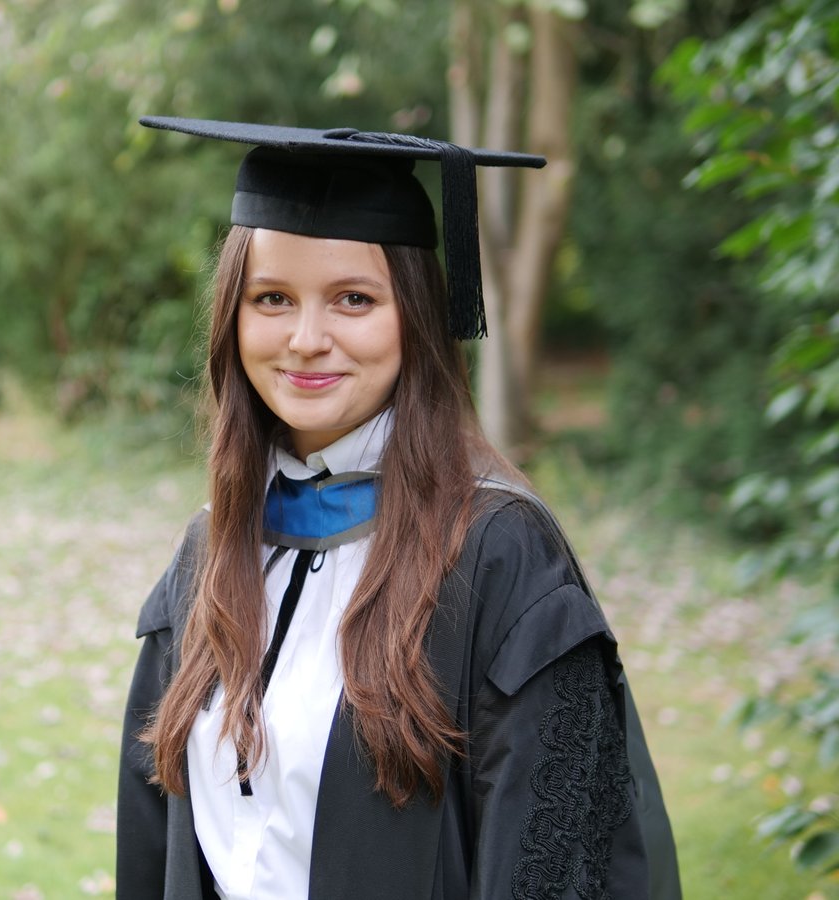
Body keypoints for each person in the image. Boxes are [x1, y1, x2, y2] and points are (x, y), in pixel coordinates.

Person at [117, 117, 680, 900]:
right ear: (232, 320)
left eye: (353, 298)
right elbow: (154, 855)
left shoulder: (496, 557)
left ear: (414, 315)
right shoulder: (209, 555)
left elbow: (550, 871)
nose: (307, 339)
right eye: (272, 298)